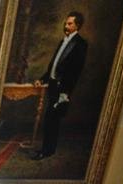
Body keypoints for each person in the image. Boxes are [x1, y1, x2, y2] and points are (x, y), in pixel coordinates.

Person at [32, 12, 88, 160]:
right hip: (52, 85)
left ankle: (46, 151)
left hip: (62, 88)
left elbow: (75, 72)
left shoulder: (80, 44)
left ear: (77, 26)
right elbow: (54, 66)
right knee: (50, 119)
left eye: (70, 24)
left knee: (52, 119)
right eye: (66, 23)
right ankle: (48, 149)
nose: (66, 26)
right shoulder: (63, 41)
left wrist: (65, 93)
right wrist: (42, 79)